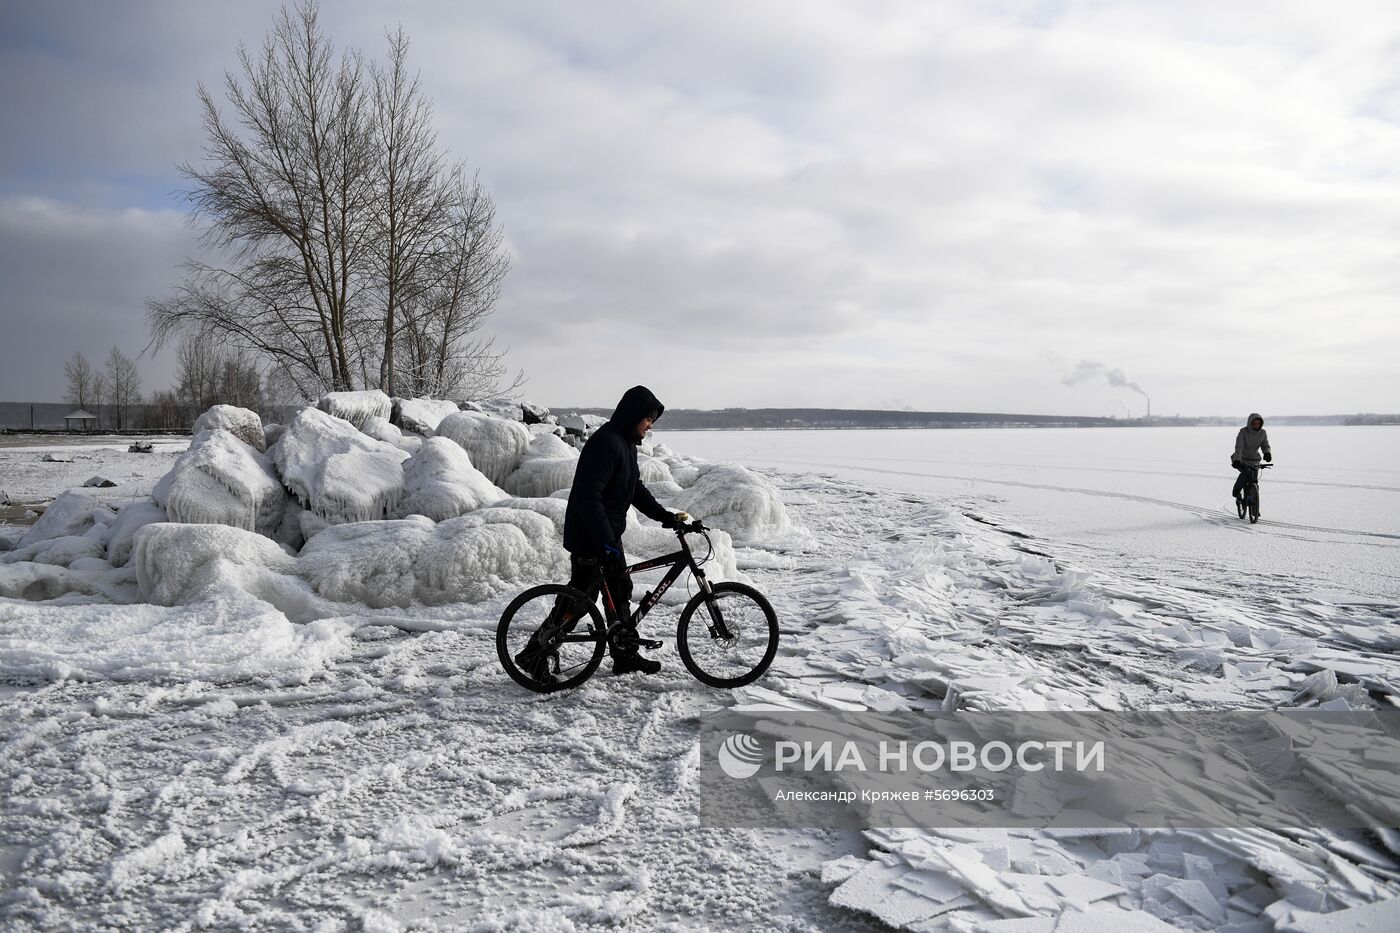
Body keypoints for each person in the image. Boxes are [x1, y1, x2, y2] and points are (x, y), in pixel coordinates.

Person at [515, 385, 685, 682]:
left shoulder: (625, 444)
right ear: (633, 416)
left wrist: (666, 517)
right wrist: (605, 540)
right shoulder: (606, 443)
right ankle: (534, 653)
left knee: (619, 590)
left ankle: (624, 654)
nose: (649, 426)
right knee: (580, 598)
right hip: (590, 536)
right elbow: (588, 496)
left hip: (606, 535)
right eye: (647, 420)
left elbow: (636, 490)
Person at [1231, 412, 1272, 501]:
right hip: (1241, 459)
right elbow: (1239, 447)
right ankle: (1236, 490)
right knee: (1246, 472)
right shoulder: (1243, 432)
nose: (1256, 425)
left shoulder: (1263, 433)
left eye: (1258, 424)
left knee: (1254, 481)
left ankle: (1254, 506)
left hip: (1254, 460)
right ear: (1250, 423)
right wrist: (1237, 460)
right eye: (1254, 423)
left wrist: (1267, 453)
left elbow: (1265, 445)